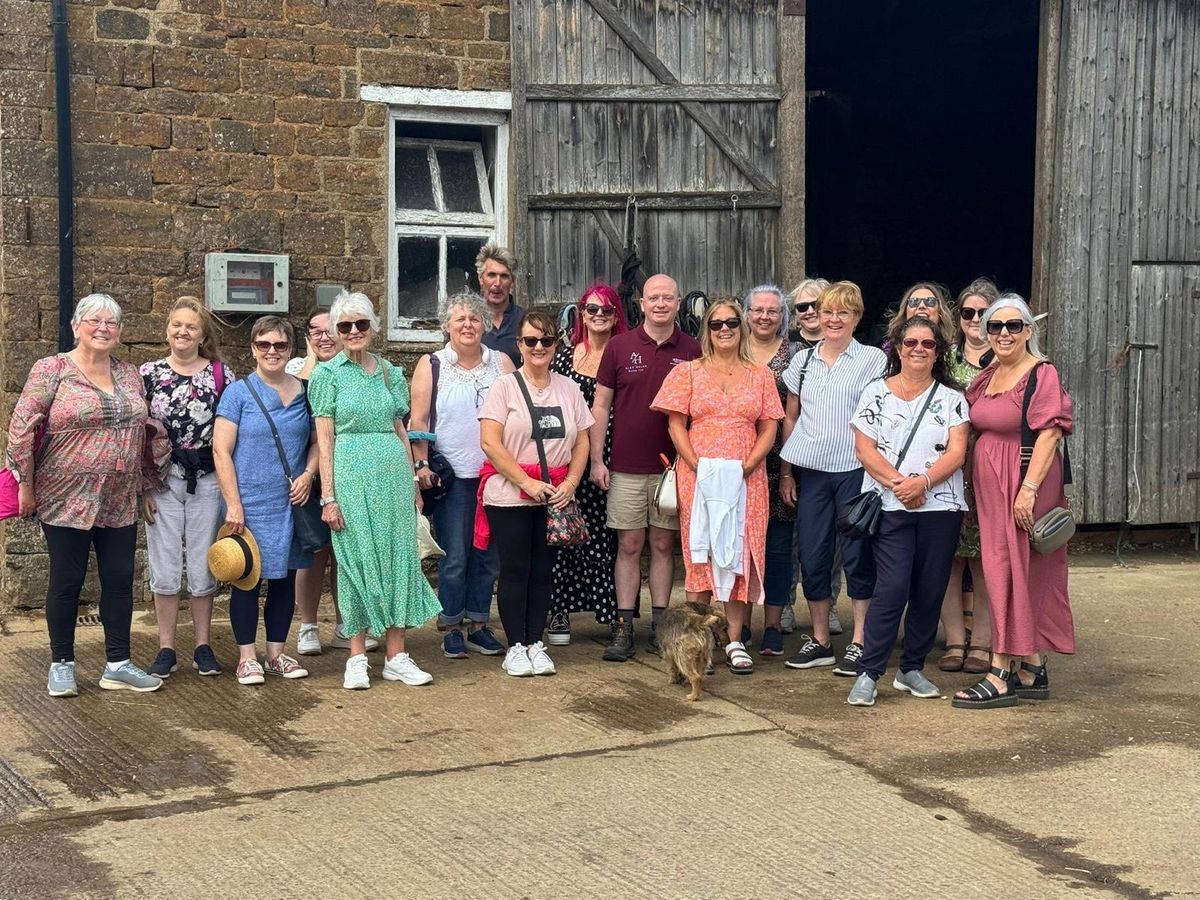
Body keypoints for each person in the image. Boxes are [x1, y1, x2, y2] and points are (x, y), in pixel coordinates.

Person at [8, 293, 168, 697]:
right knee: (68, 578)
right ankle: (61, 664)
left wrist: (146, 485)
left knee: (119, 577)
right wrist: (25, 483)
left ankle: (118, 664)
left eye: (111, 322)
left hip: (119, 494)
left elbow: (143, 431)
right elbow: (22, 426)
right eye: (94, 320)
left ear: (120, 331)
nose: (103, 328)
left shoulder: (129, 374)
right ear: (76, 327)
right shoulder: (52, 369)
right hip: (65, 494)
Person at [310, 292, 442, 691]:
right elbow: (325, 439)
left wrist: (413, 480)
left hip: (393, 478)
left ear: (372, 327)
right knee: (356, 562)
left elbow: (400, 428)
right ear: (336, 331)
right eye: (345, 325)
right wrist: (328, 496)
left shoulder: (388, 372)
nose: (354, 331)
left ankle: (396, 656)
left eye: (361, 324)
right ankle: (356, 657)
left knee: (399, 560)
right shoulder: (328, 375)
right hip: (351, 478)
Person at [954, 293, 1074, 709]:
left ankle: (1001, 670)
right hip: (992, 486)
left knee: (1014, 570)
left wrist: (1028, 490)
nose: (1003, 333)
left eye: (1013, 325)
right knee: (1005, 569)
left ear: (1028, 330)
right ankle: (1032, 667)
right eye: (995, 326)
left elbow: (1050, 434)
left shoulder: (1041, 373)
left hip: (1024, 481)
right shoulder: (988, 375)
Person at [652, 300, 783, 674]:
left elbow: (769, 425)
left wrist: (749, 464)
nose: (724, 329)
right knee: (701, 554)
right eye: (716, 323)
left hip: (746, 477)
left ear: (742, 328)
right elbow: (675, 424)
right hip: (699, 475)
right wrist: (695, 464)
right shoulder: (687, 373)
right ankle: (698, 641)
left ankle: (735, 639)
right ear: (706, 330)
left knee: (740, 553)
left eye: (731, 322)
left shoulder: (761, 375)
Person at [845, 317, 969, 706]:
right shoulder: (875, 393)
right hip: (890, 506)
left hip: (941, 507)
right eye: (911, 342)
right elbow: (864, 449)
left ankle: (911, 668)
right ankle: (869, 672)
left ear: (938, 352)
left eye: (927, 344)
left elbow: (958, 451)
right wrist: (903, 485)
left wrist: (924, 483)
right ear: (898, 348)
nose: (918, 349)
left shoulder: (952, 398)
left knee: (930, 588)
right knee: (892, 587)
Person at [591, 273, 701, 661]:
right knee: (629, 545)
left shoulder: (692, 350)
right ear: (641, 304)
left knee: (663, 545)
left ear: (678, 303)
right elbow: (600, 406)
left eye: (667, 298)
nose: (660, 304)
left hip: (673, 468)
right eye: (653, 298)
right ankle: (623, 626)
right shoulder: (619, 346)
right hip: (625, 466)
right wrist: (596, 460)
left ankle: (660, 625)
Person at [779, 281, 887, 677]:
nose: (834, 319)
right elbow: (791, 417)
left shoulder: (872, 359)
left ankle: (859, 641)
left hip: (856, 471)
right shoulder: (802, 362)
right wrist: (786, 471)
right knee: (813, 555)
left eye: (844, 312)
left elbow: (879, 416)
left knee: (858, 556)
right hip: (813, 474)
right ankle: (821, 640)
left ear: (857, 317)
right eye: (828, 312)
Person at [478, 311, 593, 677]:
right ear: (520, 345)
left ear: (556, 345)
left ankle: (535, 642)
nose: (538, 347)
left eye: (546, 340)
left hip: (555, 493)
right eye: (531, 341)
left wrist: (571, 483)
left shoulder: (569, 389)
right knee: (515, 568)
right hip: (511, 493)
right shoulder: (504, 387)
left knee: (543, 571)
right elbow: (490, 442)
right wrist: (525, 483)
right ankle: (515, 645)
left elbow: (583, 441)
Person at [409, 291, 512, 659]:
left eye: (474, 318)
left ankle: (480, 625)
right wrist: (421, 465)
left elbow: (516, 413)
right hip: (452, 477)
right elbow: (418, 420)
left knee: (487, 555)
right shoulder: (432, 364)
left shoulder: (501, 363)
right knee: (455, 556)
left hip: (495, 475)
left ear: (484, 324)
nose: (468, 325)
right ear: (446, 326)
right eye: (460, 319)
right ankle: (451, 626)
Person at [213, 316, 315, 686]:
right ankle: (246, 658)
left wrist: (309, 474)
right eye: (264, 344)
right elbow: (221, 450)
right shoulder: (238, 393)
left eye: (280, 345)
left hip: (291, 501)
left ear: (291, 349)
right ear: (253, 349)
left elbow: (317, 441)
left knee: (285, 579)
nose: (272, 351)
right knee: (248, 578)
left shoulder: (307, 392)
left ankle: (275, 654)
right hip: (250, 502)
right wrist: (233, 504)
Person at [141, 296, 233, 679]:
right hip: (162, 480)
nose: (183, 331)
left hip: (207, 479)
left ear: (202, 335)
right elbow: (137, 435)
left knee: (201, 563)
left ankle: (202, 646)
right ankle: (166, 648)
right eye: (177, 325)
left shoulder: (220, 376)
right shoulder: (148, 374)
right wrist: (143, 487)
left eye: (191, 326)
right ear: (167, 331)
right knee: (164, 565)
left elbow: (232, 433)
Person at [288, 309, 378, 656]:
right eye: (316, 332)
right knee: (315, 551)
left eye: (330, 331)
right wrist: (314, 358)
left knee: (347, 552)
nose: (325, 337)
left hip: (351, 471)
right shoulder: (298, 369)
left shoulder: (355, 368)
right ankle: (308, 625)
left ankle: (346, 624)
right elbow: (303, 396)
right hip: (310, 474)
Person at [546, 283, 629, 646]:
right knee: (564, 532)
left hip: (614, 455)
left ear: (616, 315)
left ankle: (612, 613)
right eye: (592, 309)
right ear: (581, 314)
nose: (599, 315)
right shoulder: (564, 357)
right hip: (569, 456)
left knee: (608, 537)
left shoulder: (624, 354)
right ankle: (559, 609)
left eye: (606, 310)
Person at [938, 277, 999, 674]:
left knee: (984, 561)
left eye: (983, 313)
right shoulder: (944, 358)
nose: (975, 319)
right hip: (947, 468)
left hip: (989, 468)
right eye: (968, 312)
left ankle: (982, 643)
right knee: (949, 559)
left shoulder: (1006, 359)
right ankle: (954, 640)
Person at [784, 277, 841, 637]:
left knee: (832, 538)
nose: (809, 312)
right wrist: (786, 469)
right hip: (791, 454)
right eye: (802, 307)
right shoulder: (786, 350)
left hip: (834, 458)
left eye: (816, 305)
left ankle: (830, 603)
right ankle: (787, 602)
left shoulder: (849, 350)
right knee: (791, 537)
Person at [743, 284, 796, 655]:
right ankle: (741, 624)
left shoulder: (796, 354)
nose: (764, 316)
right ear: (746, 314)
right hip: (738, 461)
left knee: (777, 547)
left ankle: (773, 624)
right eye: (758, 310)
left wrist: (789, 472)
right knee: (742, 546)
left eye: (772, 311)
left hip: (780, 461)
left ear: (782, 317)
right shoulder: (730, 348)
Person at [477, 242, 524, 367]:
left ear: (513, 281)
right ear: (481, 278)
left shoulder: (526, 321)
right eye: (491, 275)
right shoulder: (468, 323)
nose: (497, 283)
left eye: (504, 276)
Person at [882, 282, 956, 351]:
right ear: (905, 312)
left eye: (930, 301)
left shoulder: (954, 352)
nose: (921, 306)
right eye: (914, 301)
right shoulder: (888, 352)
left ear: (940, 311)